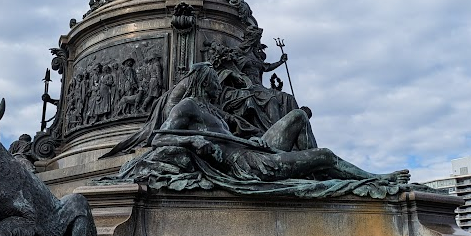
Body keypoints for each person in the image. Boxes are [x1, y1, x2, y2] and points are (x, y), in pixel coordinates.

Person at [146, 64, 409, 185]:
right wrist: (191, 140)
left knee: (297, 116)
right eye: (215, 80)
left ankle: (315, 173)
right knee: (326, 155)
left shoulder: (211, 110)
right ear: (204, 82)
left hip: (253, 149)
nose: (219, 85)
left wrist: (254, 141)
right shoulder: (188, 106)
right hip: (247, 165)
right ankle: (376, 178)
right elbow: (158, 138)